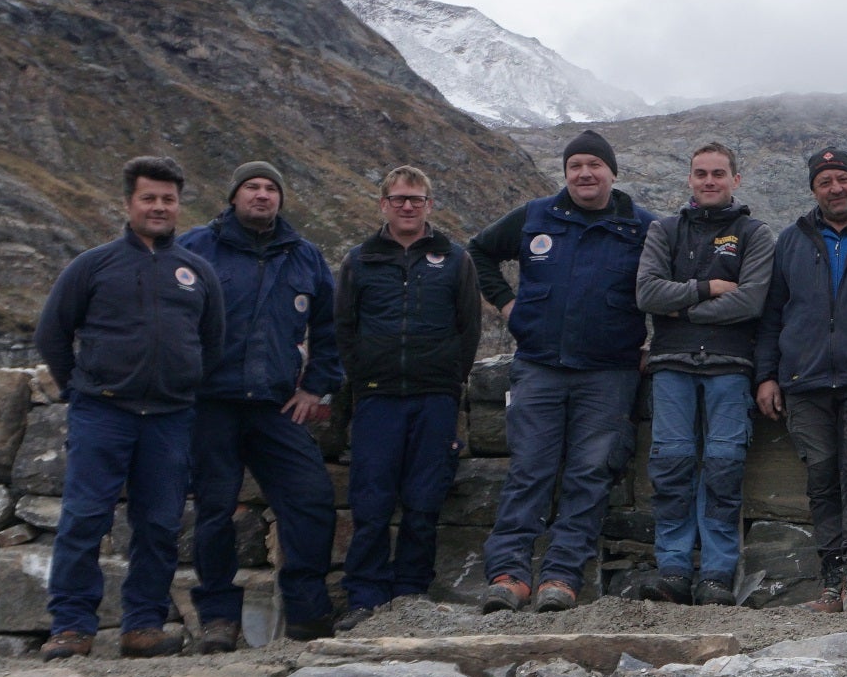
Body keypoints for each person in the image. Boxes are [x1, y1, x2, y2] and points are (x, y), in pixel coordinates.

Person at [33, 156, 226, 659]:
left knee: (160, 524)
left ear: (178, 205)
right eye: (149, 198)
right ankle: (72, 626)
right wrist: (77, 390)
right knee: (84, 518)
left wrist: (184, 384)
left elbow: (213, 341)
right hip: (103, 412)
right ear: (128, 203)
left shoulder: (197, 271)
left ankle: (141, 626)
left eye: (168, 199)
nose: (159, 207)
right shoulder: (92, 266)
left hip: (170, 417)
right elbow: (53, 333)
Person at [470, 129, 655, 612]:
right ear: (566, 173)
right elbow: (479, 251)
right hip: (539, 367)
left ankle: (561, 577)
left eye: (594, 165)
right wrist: (508, 306)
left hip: (609, 374)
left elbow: (668, 286)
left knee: (591, 474)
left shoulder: (643, 226)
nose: (584, 173)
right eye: (575, 166)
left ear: (612, 172)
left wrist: (656, 341)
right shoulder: (535, 217)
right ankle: (508, 573)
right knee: (529, 470)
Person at [178, 162, 342, 649]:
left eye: (272, 188)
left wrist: (314, 387)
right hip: (209, 405)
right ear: (233, 196)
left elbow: (331, 333)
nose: (263, 195)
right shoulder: (194, 248)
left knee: (311, 497)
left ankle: (308, 614)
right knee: (213, 511)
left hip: (274, 407)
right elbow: (164, 318)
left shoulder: (304, 257)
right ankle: (217, 619)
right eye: (252, 187)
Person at [330, 166, 480, 631]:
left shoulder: (455, 259)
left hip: (435, 398)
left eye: (416, 199)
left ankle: (411, 597)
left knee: (423, 501)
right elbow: (344, 329)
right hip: (377, 399)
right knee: (371, 502)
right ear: (384, 205)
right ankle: (364, 598)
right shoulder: (359, 260)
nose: (407, 206)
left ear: (430, 204)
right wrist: (365, 377)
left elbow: (469, 328)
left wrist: (449, 379)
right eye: (398, 199)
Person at [757, 147, 847, 614]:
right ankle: (832, 580)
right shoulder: (791, 240)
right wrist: (766, 376)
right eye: (825, 182)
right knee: (822, 478)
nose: (835, 188)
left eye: (842, 179)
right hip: (805, 378)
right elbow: (772, 314)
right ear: (814, 190)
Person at [631, 141, 774, 604]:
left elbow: (752, 300)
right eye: (700, 173)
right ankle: (672, 568)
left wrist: (685, 308)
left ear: (736, 179)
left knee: (724, 464)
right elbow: (648, 293)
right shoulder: (664, 230)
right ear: (689, 179)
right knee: (671, 463)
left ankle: (716, 572)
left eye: (718, 173)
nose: (709, 181)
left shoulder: (755, 234)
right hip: (671, 365)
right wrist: (707, 288)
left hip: (730, 367)